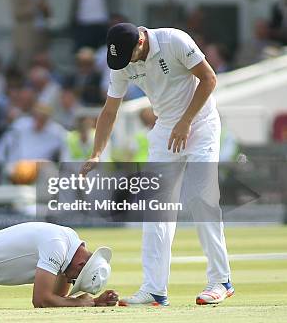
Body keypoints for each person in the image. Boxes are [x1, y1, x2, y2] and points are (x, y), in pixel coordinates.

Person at [80, 23, 233, 306]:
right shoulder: (122, 60)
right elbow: (110, 110)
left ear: (141, 40)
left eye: (129, 55)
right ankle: (154, 289)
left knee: (200, 198)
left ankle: (220, 281)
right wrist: (97, 152)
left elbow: (209, 79)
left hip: (200, 123)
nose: (126, 64)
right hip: (165, 129)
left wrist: (186, 121)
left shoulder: (174, 40)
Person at [10, 0, 51, 71]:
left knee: (41, 67)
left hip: (41, 32)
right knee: (24, 67)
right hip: (26, 36)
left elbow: (47, 11)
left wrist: (46, 10)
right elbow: (17, 13)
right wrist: (35, 7)